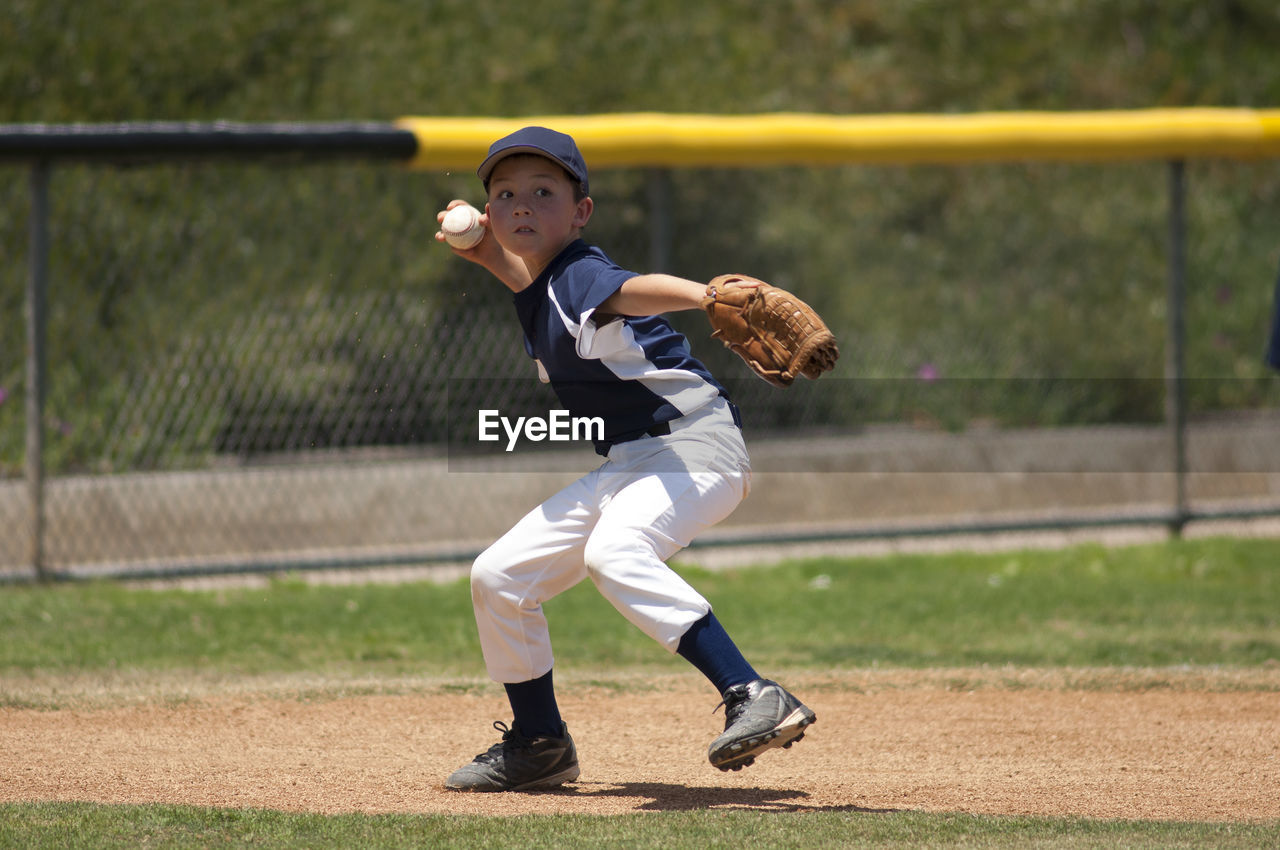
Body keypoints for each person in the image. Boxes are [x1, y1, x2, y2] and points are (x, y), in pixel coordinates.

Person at [435, 126, 815, 792]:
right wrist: (481, 248)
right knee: (499, 577)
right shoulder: (541, 284)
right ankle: (539, 744)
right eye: (505, 194)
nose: (522, 205)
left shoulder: (581, 273)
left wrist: (704, 295)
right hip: (634, 462)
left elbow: (631, 290)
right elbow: (516, 272)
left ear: (581, 213)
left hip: (697, 446)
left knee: (615, 552)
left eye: (544, 192)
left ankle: (753, 693)